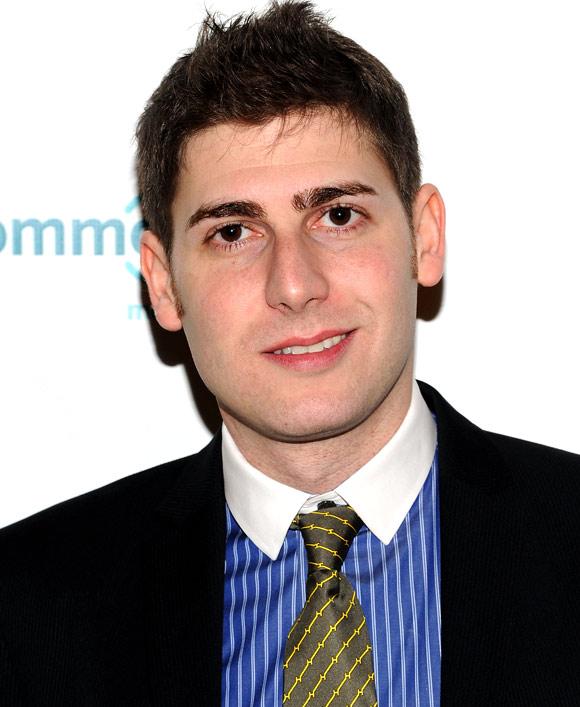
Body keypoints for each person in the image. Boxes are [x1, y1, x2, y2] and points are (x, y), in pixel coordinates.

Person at [1, 2, 579, 705]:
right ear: (163, 283)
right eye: (234, 232)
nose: (295, 285)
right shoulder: (27, 607)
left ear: (424, 238)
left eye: (338, 215)